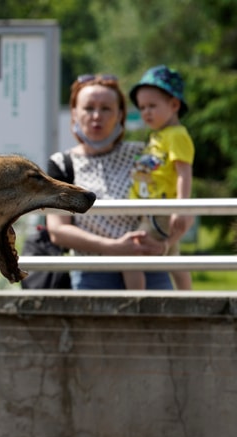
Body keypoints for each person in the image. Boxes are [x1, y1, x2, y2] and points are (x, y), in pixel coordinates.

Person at [46, 73, 172, 290]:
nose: (97, 116)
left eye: (106, 109)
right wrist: (113, 247)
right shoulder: (62, 164)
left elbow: (168, 203)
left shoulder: (144, 155)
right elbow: (58, 230)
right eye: (88, 108)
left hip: (148, 265)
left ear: (120, 114)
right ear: (74, 113)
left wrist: (164, 244)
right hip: (93, 271)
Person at [125, 65, 195, 290]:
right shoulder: (158, 136)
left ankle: (137, 302)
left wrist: (180, 208)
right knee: (172, 257)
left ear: (174, 105)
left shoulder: (176, 135)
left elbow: (184, 172)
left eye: (152, 106)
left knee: (131, 254)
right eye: (142, 107)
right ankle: (189, 299)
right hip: (150, 208)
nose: (146, 112)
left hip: (163, 209)